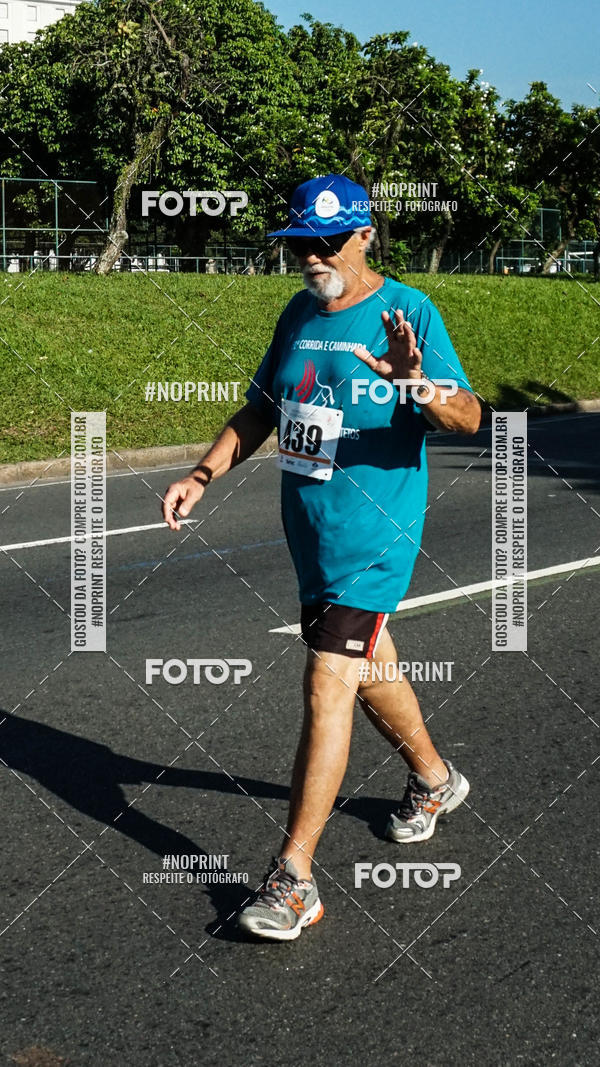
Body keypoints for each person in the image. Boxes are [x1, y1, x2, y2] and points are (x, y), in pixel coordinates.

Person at [162, 174, 481, 941]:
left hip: (376, 541)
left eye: (325, 242)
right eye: (299, 242)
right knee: (372, 666)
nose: (310, 256)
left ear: (365, 235)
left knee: (328, 680)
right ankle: (436, 779)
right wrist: (202, 474)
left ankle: (293, 877)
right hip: (314, 538)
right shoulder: (300, 313)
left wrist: (419, 385)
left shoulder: (409, 311)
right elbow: (264, 408)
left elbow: (470, 414)